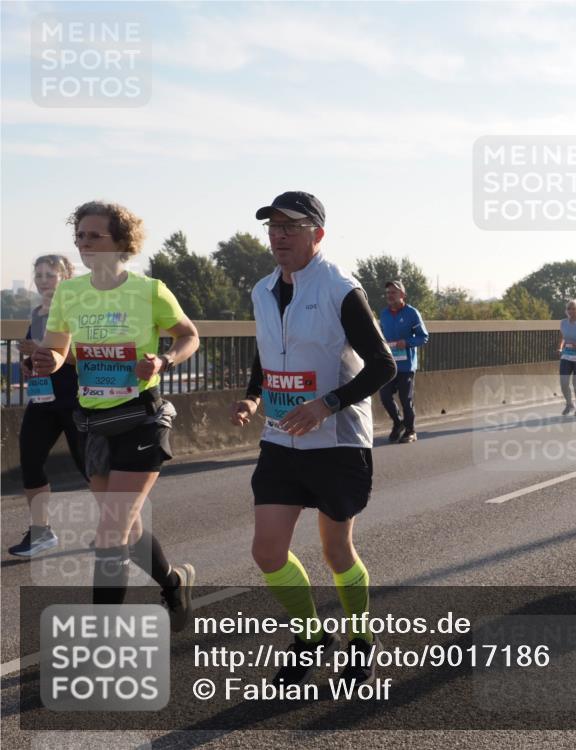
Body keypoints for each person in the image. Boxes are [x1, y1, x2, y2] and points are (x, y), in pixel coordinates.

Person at [231, 191, 396, 690]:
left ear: (317, 234)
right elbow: (269, 348)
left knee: (336, 552)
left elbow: (383, 365)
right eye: (272, 227)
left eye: (290, 227)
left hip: (338, 442)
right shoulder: (262, 290)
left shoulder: (340, 288)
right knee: (267, 551)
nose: (278, 235)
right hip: (281, 439)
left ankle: (362, 638)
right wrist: (253, 396)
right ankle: (310, 636)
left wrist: (326, 404)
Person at [32, 201, 199, 629]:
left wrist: (164, 361)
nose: (83, 244)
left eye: (93, 235)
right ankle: (173, 582)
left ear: (121, 242)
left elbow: (188, 336)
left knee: (109, 535)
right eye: (79, 236)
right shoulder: (70, 293)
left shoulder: (149, 290)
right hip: (93, 424)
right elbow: (58, 349)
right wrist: (47, 361)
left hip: (141, 419)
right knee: (126, 528)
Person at [9, 255, 88, 557]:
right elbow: (38, 355)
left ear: (65, 278)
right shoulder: (37, 312)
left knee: (89, 466)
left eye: (50, 275)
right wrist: (29, 362)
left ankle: (117, 527)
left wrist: (44, 349)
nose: (43, 280)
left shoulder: (78, 310)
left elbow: (82, 356)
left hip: (75, 397)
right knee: (30, 460)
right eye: (39, 274)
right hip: (43, 399)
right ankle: (41, 532)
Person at [378, 280, 429, 443]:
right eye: (387, 293)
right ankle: (398, 423)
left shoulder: (412, 313)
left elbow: (423, 336)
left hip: (406, 365)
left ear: (402, 295)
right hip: (388, 365)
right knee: (385, 396)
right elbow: (380, 334)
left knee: (405, 399)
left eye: (393, 292)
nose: (390, 296)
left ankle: (411, 430)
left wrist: (407, 342)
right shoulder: (384, 314)